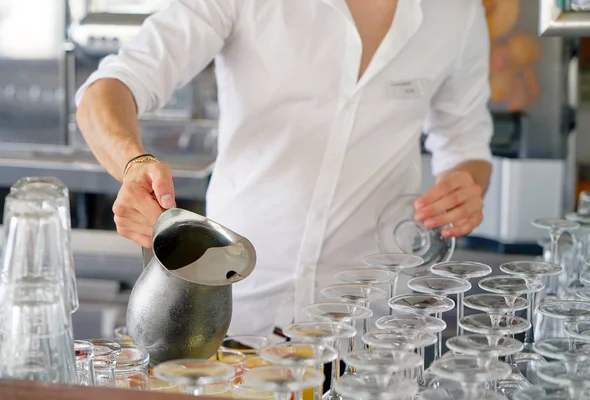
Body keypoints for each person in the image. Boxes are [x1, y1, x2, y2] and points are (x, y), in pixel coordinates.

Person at [76, 0, 493, 338]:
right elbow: (110, 87)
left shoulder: (459, 12)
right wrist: (134, 163)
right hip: (230, 313)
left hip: (371, 327)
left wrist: (465, 186)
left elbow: (466, 145)